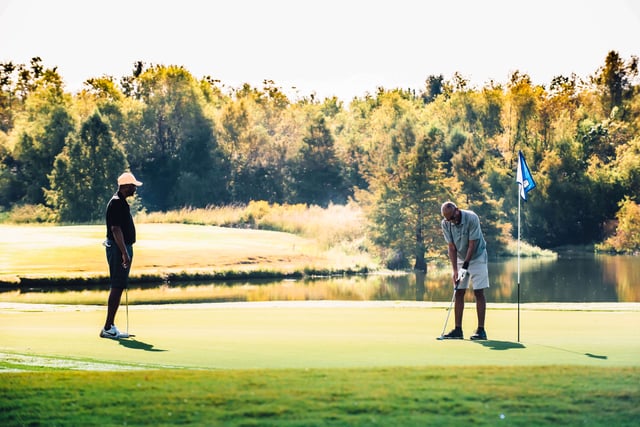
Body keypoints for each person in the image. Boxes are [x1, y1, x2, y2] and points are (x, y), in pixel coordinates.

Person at [100, 172, 142, 339]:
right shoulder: (117, 203)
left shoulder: (121, 202)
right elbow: (115, 229)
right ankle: (108, 327)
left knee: (119, 285)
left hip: (122, 248)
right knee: (117, 285)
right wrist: (124, 252)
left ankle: (111, 326)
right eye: (133, 186)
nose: (135, 189)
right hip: (118, 249)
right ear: (125, 186)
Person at [440, 201, 489, 340]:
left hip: (478, 255)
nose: (451, 221)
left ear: (457, 210)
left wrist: (465, 266)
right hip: (461, 256)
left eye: (452, 218)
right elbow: (451, 247)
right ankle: (458, 330)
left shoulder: (471, 218)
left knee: (478, 291)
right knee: (459, 292)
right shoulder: (446, 223)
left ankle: (481, 330)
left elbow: (472, 245)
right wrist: (455, 270)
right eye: (447, 219)